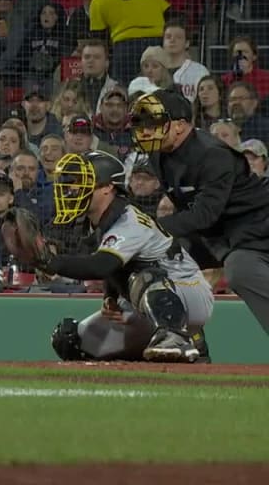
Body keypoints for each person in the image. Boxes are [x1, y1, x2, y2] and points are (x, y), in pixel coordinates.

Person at [43, 150, 213, 362]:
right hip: (143, 303)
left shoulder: (129, 220)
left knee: (145, 276)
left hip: (186, 293)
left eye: (82, 181)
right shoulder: (96, 221)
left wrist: (50, 262)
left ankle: (179, 337)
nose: (73, 188)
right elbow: (116, 265)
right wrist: (110, 298)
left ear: (107, 188)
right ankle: (139, 367)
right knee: (68, 339)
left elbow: (102, 265)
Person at [129, 89, 269, 336]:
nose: (146, 130)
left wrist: (148, 228)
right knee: (154, 256)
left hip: (255, 226)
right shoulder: (156, 153)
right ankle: (185, 337)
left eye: (155, 123)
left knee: (240, 269)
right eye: (143, 123)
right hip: (215, 234)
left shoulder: (212, 154)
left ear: (180, 126)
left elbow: (204, 214)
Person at [84, 0, 169, 85]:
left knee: (126, 90)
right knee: (158, 87)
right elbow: (170, 14)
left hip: (127, 47)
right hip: (158, 43)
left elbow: (99, 41)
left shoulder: (98, 0)